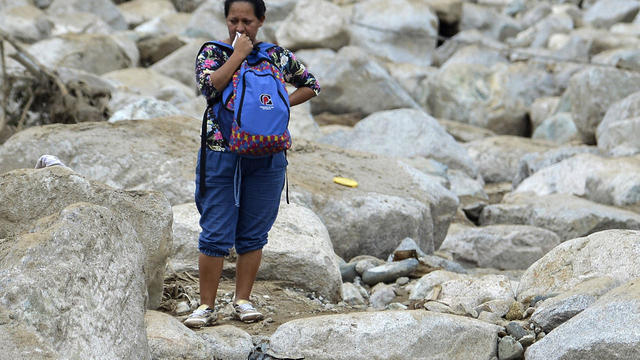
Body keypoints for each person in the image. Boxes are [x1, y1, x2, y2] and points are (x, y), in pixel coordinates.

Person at [184, 0, 320, 328]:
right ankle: (206, 305)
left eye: (247, 20)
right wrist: (238, 54)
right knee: (215, 231)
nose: (240, 27)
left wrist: (276, 106)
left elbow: (311, 85)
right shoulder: (213, 54)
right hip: (222, 153)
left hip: (268, 154)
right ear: (226, 21)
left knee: (254, 233)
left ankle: (242, 300)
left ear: (261, 21)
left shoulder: (276, 56)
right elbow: (210, 86)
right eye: (234, 20)